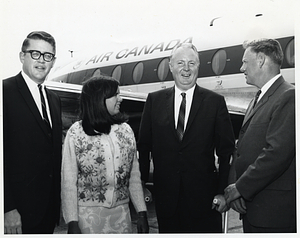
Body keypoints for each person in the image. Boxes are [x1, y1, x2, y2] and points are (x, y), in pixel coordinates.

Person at [137, 42, 235, 233]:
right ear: (170, 66)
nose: (186, 69)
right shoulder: (154, 101)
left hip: (205, 203)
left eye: (192, 63)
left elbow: (227, 152)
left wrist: (222, 192)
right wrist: (141, 185)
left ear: (198, 66)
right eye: (180, 63)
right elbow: (144, 146)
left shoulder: (215, 102)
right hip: (167, 202)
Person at [61, 75, 149, 234]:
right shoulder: (76, 133)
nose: (120, 98)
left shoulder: (126, 130)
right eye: (115, 94)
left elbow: (134, 177)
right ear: (99, 99)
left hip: (122, 217)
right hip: (87, 219)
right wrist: (72, 222)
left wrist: (141, 212)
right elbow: (68, 182)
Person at [224, 38, 296, 233]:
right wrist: (239, 189)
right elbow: (243, 150)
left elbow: (277, 153)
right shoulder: (258, 98)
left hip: (273, 214)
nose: (241, 68)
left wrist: (240, 188)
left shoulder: (288, 96)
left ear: (261, 60)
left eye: (245, 62)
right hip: (254, 207)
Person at [3, 31, 62, 234]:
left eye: (48, 56)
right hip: (16, 213)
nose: (42, 60)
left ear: (53, 61)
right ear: (22, 57)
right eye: (35, 54)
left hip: (47, 211)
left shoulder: (54, 100)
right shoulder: (4, 92)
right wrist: (6, 208)